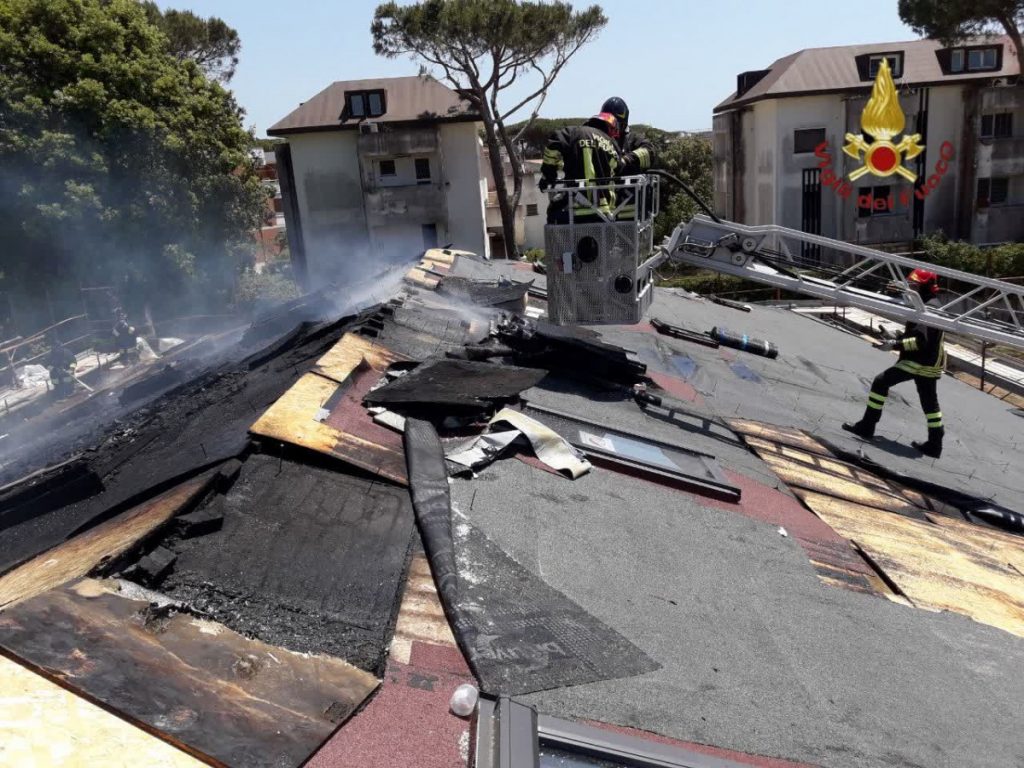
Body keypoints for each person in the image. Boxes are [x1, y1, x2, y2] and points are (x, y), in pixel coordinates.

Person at [842, 269, 947, 458]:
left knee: (880, 382)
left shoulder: (927, 308)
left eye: (914, 285)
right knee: (930, 404)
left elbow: (919, 341)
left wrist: (894, 345)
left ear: (925, 287)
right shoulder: (931, 303)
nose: (910, 289)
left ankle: (867, 426)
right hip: (930, 361)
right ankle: (935, 443)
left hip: (919, 360)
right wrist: (897, 336)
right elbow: (921, 336)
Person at [540, 112, 624, 223]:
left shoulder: (574, 132)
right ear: (610, 128)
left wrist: (548, 175)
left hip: (574, 209)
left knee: (553, 210)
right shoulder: (612, 144)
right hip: (605, 215)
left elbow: (554, 145)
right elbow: (619, 168)